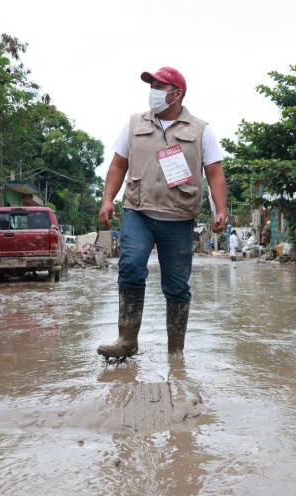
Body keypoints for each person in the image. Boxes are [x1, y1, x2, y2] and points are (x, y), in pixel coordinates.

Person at [97, 66, 228, 361]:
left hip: (179, 216)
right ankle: (127, 339)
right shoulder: (133, 124)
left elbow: (215, 173)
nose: (153, 91)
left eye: (159, 86)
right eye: (152, 85)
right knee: (130, 266)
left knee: (177, 286)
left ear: (177, 94)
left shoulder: (201, 130)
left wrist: (221, 210)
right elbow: (118, 165)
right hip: (138, 210)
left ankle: (175, 352)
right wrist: (108, 200)